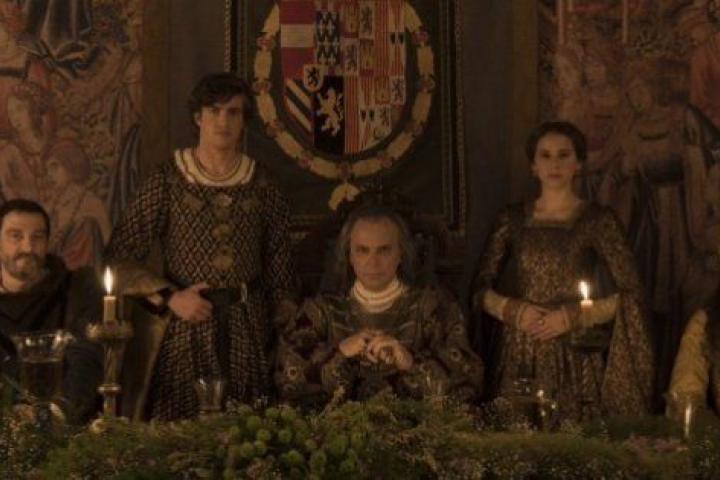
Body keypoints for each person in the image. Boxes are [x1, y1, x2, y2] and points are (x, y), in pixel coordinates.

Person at [105, 72, 296, 421]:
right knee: (181, 433)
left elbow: (280, 267)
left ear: (244, 120)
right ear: (198, 117)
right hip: (184, 327)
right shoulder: (168, 180)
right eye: (214, 111)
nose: (223, 121)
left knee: (247, 433)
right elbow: (119, 257)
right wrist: (170, 297)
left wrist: (282, 335)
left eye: (233, 112)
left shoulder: (264, 184)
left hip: (247, 328)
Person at [472, 121, 653, 421]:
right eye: (545, 155)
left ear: (578, 163)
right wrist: (513, 311)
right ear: (533, 166)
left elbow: (632, 294)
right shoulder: (511, 219)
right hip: (520, 348)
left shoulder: (598, 220)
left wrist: (573, 316)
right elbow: (480, 289)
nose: (554, 164)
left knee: (573, 437)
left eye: (563, 155)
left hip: (575, 353)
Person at [276, 204, 483, 405]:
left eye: (383, 250)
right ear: (349, 255)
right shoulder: (319, 311)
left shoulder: (435, 308)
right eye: (362, 250)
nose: (373, 262)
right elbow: (288, 381)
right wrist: (340, 353)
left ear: (400, 253)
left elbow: (469, 382)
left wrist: (409, 362)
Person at [0, 199, 102, 424]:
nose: (28, 248)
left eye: (37, 237)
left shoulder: (77, 288)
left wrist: (53, 416)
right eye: (16, 236)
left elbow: (86, 359)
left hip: (68, 427)